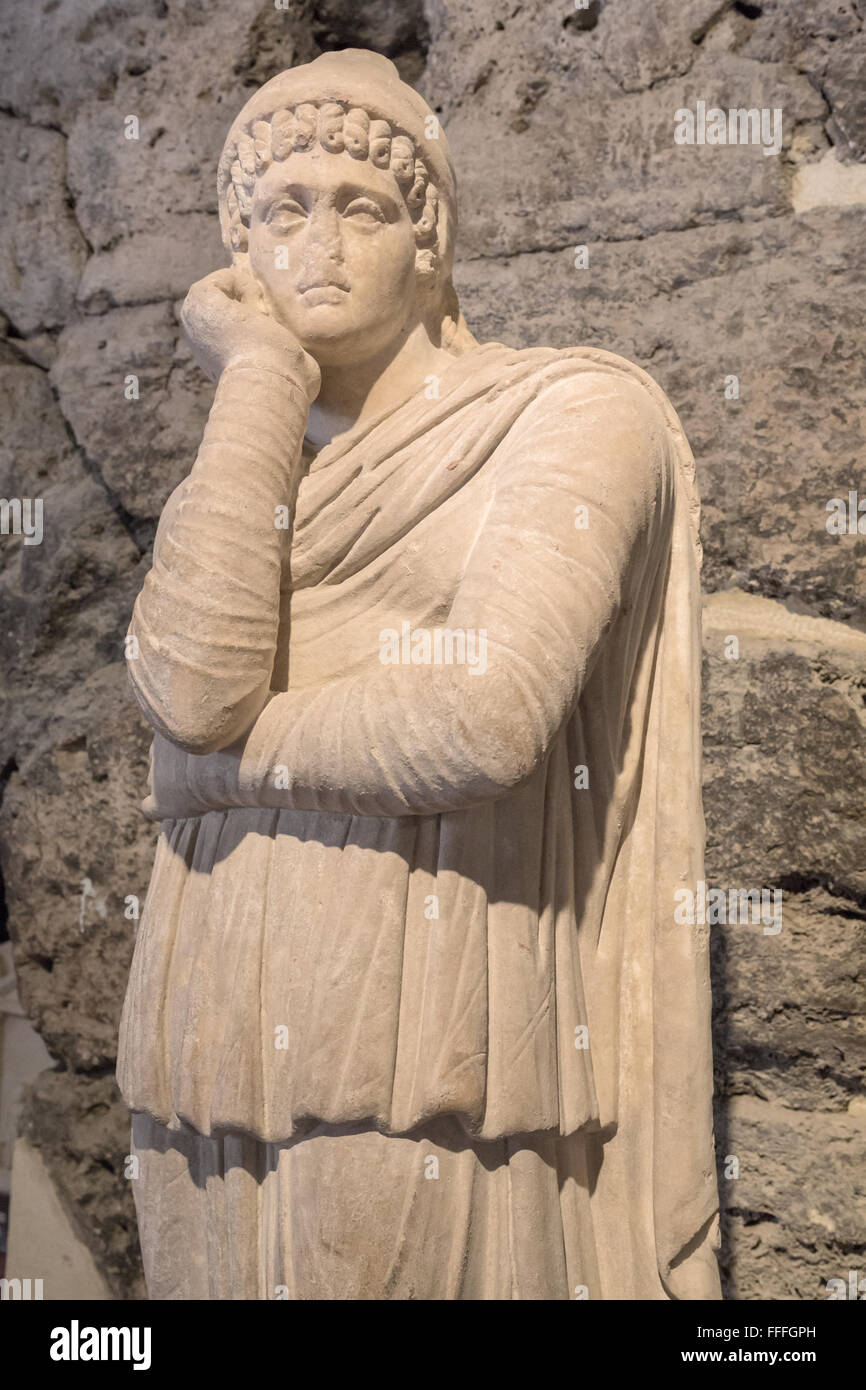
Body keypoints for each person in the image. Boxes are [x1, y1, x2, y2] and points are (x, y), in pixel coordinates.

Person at [117, 48, 720, 1300]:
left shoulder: (563, 415)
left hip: (419, 1015)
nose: (318, 243)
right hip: (203, 1014)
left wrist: (207, 770)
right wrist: (261, 381)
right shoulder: (250, 455)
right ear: (238, 249)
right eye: (281, 211)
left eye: (363, 205)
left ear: (428, 237)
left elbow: (480, 715)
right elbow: (190, 685)